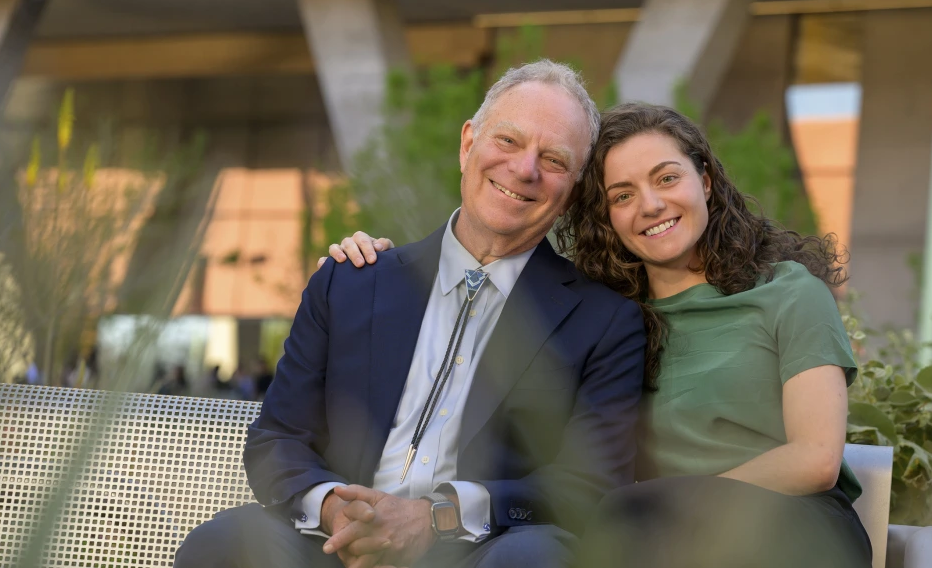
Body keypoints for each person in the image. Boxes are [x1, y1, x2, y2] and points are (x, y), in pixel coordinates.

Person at [330, 102, 871, 568]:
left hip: (793, 529)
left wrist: (674, 503)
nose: (651, 206)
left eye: (666, 178)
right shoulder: (604, 322)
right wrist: (380, 265)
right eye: (622, 195)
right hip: (657, 538)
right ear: (606, 217)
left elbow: (816, 459)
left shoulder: (786, 293)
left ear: (704, 180)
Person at [173, 61, 646, 568]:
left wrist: (435, 517)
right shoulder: (351, 280)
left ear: (573, 189)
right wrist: (336, 511)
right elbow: (278, 439)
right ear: (468, 144)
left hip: (478, 552)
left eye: (553, 159)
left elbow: (585, 486)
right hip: (331, 546)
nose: (525, 169)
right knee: (221, 544)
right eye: (508, 141)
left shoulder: (605, 321)